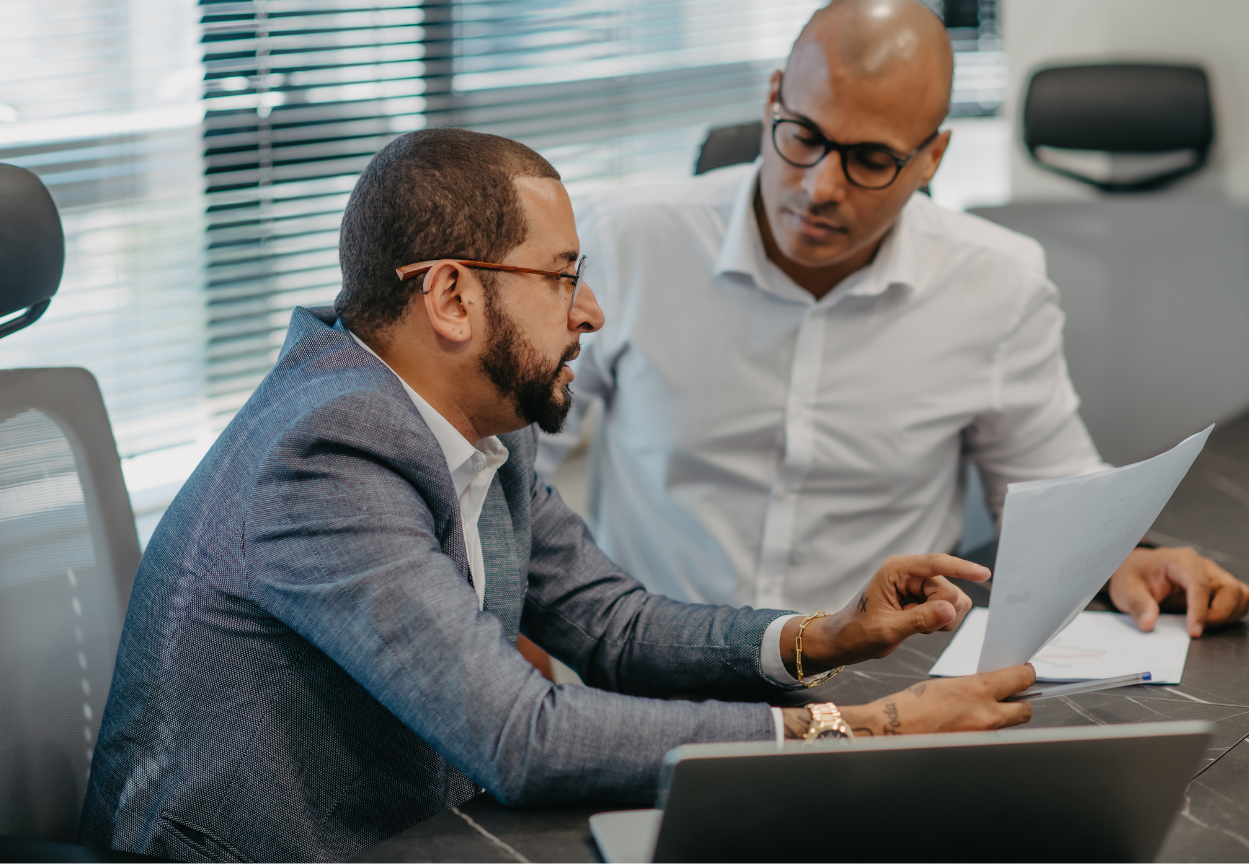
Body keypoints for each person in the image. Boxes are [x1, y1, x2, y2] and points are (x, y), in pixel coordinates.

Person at [76, 128, 1037, 863]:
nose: (591, 311)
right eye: (562, 277)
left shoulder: (480, 423)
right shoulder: (326, 454)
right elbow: (520, 736)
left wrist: (819, 639)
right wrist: (861, 729)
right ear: (452, 297)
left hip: (425, 834)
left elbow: (611, 624)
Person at [536, 0, 1249, 633]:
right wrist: (521, 631)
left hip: (882, 683)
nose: (821, 187)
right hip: (657, 670)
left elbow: (1048, 490)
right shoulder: (626, 242)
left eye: (872, 159)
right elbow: (514, 464)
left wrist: (1127, 558)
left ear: (931, 158)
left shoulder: (997, 283)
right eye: (803, 136)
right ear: (773, 98)